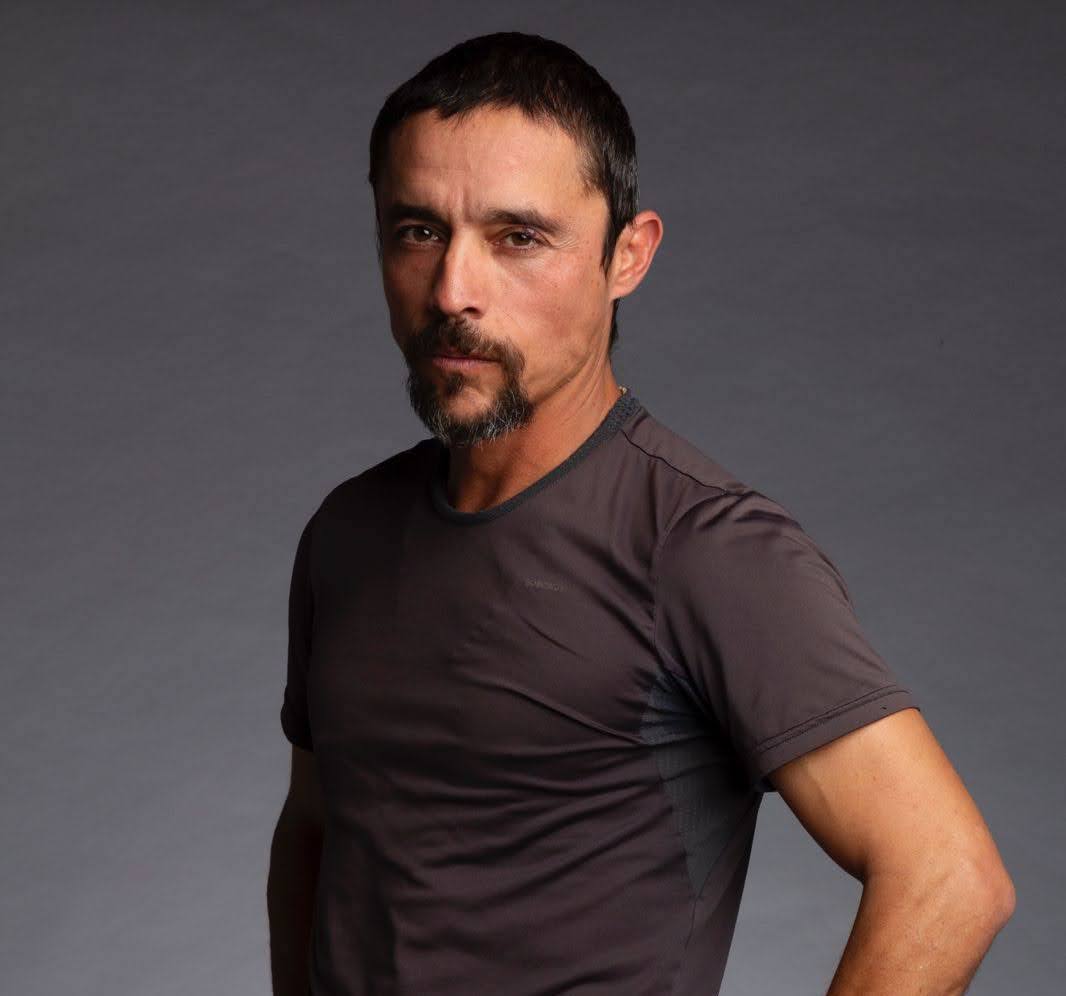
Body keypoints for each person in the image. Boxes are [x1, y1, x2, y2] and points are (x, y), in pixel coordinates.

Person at [267, 31, 1015, 996]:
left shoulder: (704, 547)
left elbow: (950, 878)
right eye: (418, 231)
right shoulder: (347, 535)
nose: (454, 291)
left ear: (628, 255)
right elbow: (316, 829)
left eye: (518, 237)